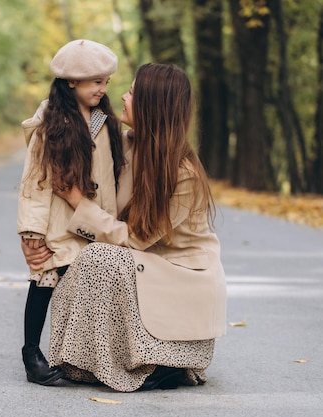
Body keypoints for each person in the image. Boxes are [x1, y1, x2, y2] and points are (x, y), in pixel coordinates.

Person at [22, 63, 227, 392]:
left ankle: (156, 359)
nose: (120, 95)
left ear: (151, 105)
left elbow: (135, 240)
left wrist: (78, 202)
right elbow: (67, 124)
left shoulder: (183, 171)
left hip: (181, 276)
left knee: (99, 257)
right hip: (145, 264)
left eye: (131, 92)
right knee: (81, 255)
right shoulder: (124, 142)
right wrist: (36, 238)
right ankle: (87, 359)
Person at [17, 39, 125, 386]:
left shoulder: (105, 122)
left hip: (92, 220)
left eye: (106, 82)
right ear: (71, 82)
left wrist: (111, 221)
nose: (102, 89)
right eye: (96, 81)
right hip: (57, 224)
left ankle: (87, 356)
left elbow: (111, 175)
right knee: (45, 282)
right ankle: (31, 353)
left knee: (91, 291)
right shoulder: (52, 123)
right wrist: (32, 232)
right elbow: (35, 181)